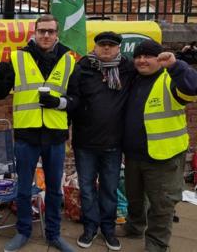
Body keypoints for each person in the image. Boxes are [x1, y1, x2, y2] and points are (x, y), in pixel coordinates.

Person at [0, 14, 75, 252]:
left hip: (55, 136)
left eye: (50, 31)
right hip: (27, 135)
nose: (46, 35)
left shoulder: (69, 60)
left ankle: (53, 234)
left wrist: (58, 102)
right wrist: (1, 74)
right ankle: (23, 232)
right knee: (23, 188)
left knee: (54, 189)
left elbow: (78, 100)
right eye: (42, 31)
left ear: (57, 33)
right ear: (35, 33)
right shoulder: (17, 58)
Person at [117, 39, 197, 252]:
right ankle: (135, 227)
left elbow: (192, 88)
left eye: (148, 56)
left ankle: (157, 244)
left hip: (165, 156)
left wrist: (177, 65)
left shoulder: (170, 79)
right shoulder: (133, 79)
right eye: (138, 56)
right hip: (134, 154)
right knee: (134, 199)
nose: (142, 60)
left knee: (162, 204)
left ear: (159, 59)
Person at [66, 31, 135, 251]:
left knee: (109, 188)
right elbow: (73, 99)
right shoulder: (82, 68)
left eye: (111, 45)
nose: (106, 48)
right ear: (95, 47)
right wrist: (66, 130)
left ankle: (108, 229)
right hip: (85, 142)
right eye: (102, 45)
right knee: (86, 188)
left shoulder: (128, 69)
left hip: (113, 142)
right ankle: (90, 227)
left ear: (118, 48)